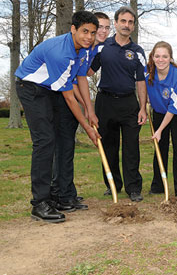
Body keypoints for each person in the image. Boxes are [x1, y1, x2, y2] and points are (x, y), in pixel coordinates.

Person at [15, 11, 100, 223]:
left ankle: (61, 196)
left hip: (50, 89)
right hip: (31, 88)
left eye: (92, 32)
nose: (89, 36)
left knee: (63, 136)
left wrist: (90, 111)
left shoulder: (85, 50)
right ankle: (41, 203)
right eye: (84, 31)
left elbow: (81, 78)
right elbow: (70, 98)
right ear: (73, 29)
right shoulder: (60, 53)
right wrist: (88, 129)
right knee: (45, 140)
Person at [50, 12, 111, 211]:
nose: (101, 32)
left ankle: (67, 191)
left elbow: (83, 77)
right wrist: (85, 108)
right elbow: (71, 82)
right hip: (63, 97)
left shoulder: (91, 50)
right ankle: (61, 193)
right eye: (98, 28)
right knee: (64, 146)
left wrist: (89, 108)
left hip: (73, 97)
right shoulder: (77, 48)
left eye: (105, 28)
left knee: (67, 148)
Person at [90, 6, 147, 202]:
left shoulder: (137, 51)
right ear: (115, 23)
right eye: (123, 21)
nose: (126, 25)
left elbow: (141, 81)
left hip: (129, 103)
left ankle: (133, 188)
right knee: (108, 147)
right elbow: (88, 72)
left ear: (133, 26)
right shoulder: (102, 46)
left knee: (131, 147)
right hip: (105, 102)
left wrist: (142, 107)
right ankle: (112, 184)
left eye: (130, 22)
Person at [145, 41, 177, 201]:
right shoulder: (148, 71)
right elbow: (142, 87)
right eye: (157, 56)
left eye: (165, 56)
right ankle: (157, 186)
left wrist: (159, 130)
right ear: (152, 57)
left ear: (170, 58)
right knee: (160, 147)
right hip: (158, 112)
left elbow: (173, 108)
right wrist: (144, 104)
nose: (161, 59)